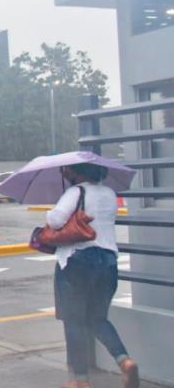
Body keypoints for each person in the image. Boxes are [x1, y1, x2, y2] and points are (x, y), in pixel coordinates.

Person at [49, 163, 138, 388]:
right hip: (107, 262)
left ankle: (79, 381)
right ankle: (124, 361)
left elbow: (56, 220)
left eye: (68, 169)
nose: (65, 172)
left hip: (77, 260)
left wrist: (53, 211)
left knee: (74, 321)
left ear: (80, 172)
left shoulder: (75, 192)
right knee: (98, 319)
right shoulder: (109, 193)